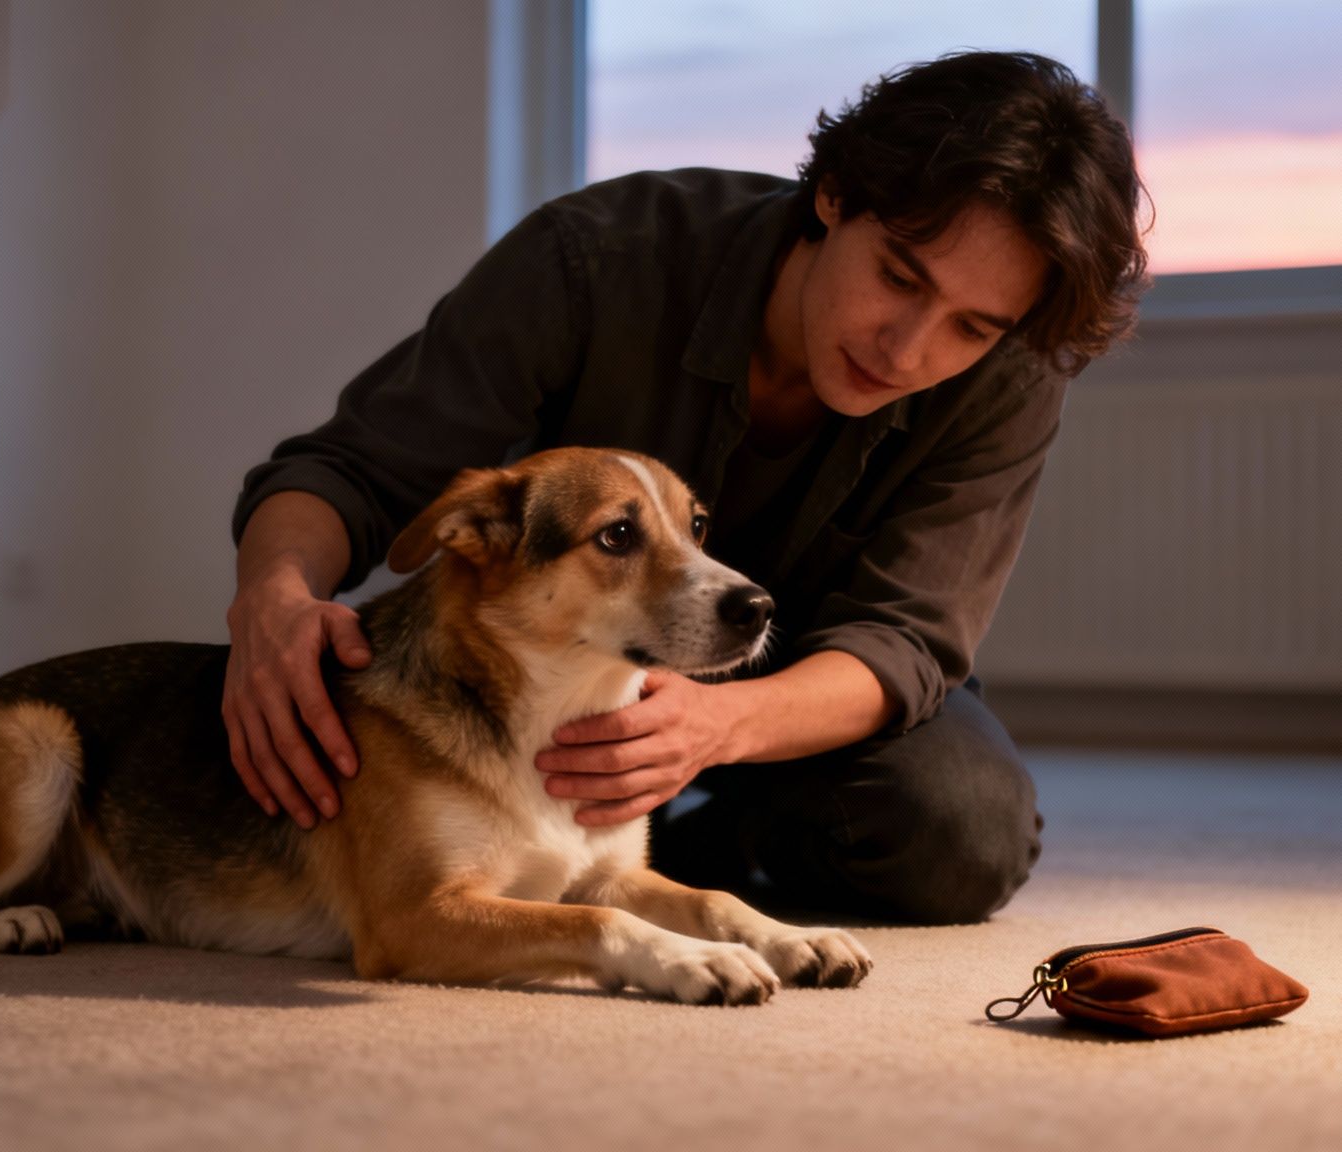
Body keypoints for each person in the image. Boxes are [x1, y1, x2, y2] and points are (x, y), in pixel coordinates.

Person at [222, 50, 1149, 925]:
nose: (909, 349)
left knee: (965, 826)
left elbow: (909, 638)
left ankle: (689, 848)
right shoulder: (589, 261)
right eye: (898, 277)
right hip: (544, 678)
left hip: (803, 689)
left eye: (971, 327)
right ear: (832, 196)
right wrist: (271, 598)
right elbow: (352, 469)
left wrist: (718, 725)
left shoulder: (1010, 373)